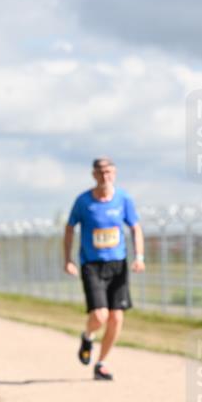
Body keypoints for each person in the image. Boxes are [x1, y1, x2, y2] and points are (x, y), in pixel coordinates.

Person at [63, 157, 145, 381]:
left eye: (109, 171)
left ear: (114, 173)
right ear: (94, 175)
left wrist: (139, 256)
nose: (105, 176)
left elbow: (135, 228)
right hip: (92, 264)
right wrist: (67, 259)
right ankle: (88, 336)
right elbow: (69, 228)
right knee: (99, 316)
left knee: (116, 318)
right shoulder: (83, 201)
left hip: (118, 264)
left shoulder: (123, 199)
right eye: (100, 172)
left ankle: (101, 363)